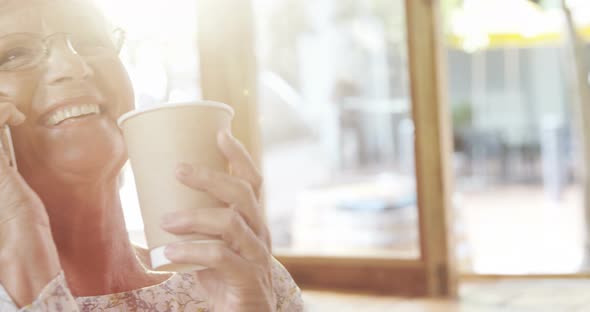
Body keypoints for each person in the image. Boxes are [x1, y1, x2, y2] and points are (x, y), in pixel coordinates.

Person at [0, 0, 303, 311]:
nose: (74, 66)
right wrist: (29, 279)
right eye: (13, 55)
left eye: (91, 41)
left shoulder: (246, 277)